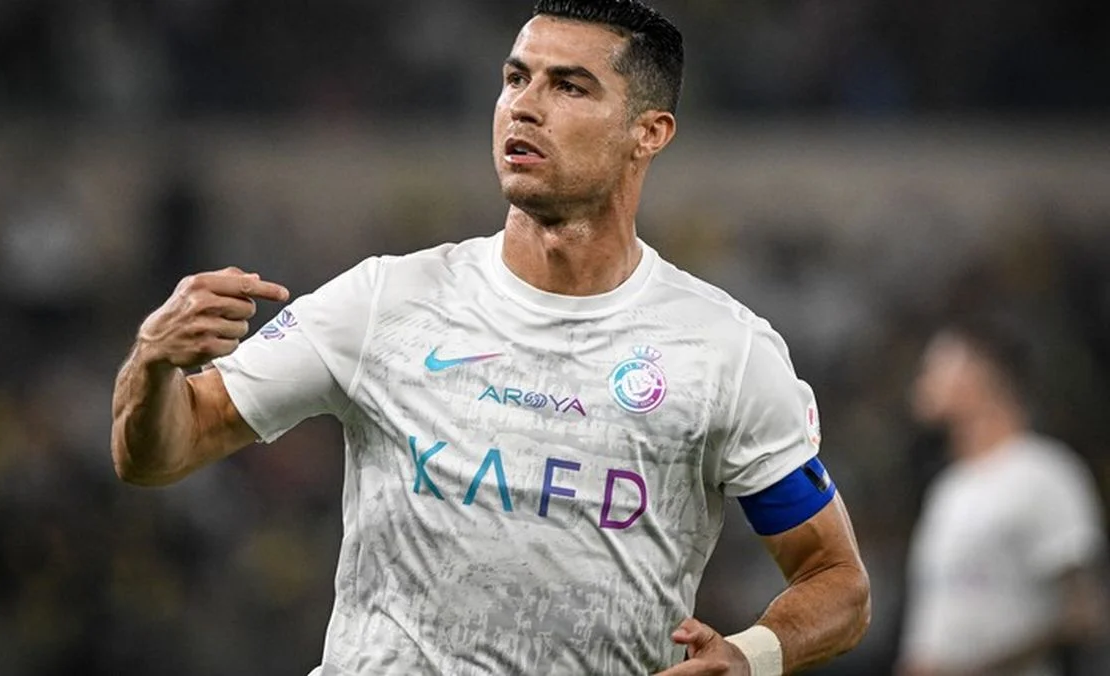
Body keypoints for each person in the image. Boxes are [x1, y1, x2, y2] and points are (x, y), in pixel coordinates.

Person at [111, 1, 870, 673]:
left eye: (569, 87)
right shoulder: (384, 301)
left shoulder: (724, 351)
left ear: (649, 132)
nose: (524, 107)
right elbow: (158, 455)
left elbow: (837, 582)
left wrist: (753, 656)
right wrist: (153, 365)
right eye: (515, 78)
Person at [898, 316, 1108, 676]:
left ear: (981, 374)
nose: (923, 381)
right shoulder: (948, 490)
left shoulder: (1045, 474)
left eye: (936, 367)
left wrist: (972, 668)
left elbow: (1085, 612)